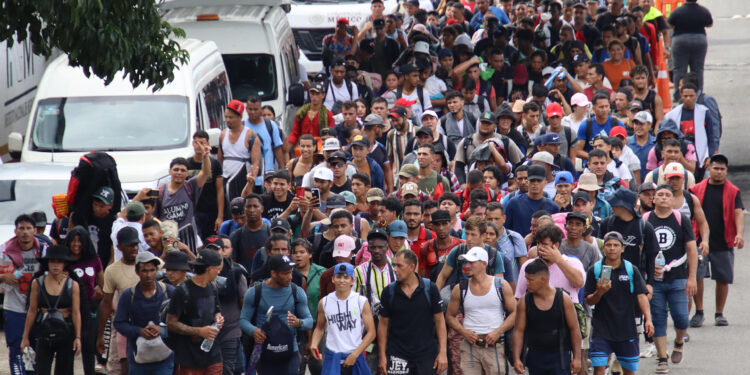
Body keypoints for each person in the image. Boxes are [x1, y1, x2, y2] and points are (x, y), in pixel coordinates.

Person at [644, 185, 697, 373]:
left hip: (678, 277)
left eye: (668, 195)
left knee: (682, 319)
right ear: (653, 200)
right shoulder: (645, 220)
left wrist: (692, 277)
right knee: (658, 319)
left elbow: (691, 249)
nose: (664, 198)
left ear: (673, 200)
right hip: (654, 280)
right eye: (660, 195)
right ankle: (662, 358)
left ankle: (679, 341)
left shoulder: (681, 219)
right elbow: (641, 250)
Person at [584, 232, 654, 375]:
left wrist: (648, 319)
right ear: (603, 248)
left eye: (616, 245)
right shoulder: (595, 270)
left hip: (626, 328)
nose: (612, 248)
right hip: (601, 328)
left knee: (628, 370)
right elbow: (589, 300)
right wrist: (600, 292)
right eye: (608, 245)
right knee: (599, 368)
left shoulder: (631, 270)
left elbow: (641, 295)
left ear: (622, 249)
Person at [688, 154, 743, 327]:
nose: (719, 172)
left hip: (723, 241)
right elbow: (688, 214)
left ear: (726, 171)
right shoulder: (696, 189)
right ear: (709, 169)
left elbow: (738, 212)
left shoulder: (733, 191)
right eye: (716, 168)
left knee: (723, 278)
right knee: (698, 276)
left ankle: (719, 313)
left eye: (722, 169)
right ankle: (699, 312)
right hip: (699, 241)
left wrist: (739, 234)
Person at [445, 246, 516, 375]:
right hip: (470, 347)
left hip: (494, 346)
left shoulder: (501, 285)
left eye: (471, 262)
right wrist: (464, 332)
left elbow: (515, 313)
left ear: (483, 264)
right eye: (466, 262)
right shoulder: (460, 288)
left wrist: (498, 332)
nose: (467, 265)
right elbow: (449, 315)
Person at [239, 254, 313, 374]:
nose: (290, 277)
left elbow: (309, 321)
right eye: (285, 273)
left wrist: (299, 322)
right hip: (265, 353)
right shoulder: (254, 292)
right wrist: (254, 331)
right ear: (273, 273)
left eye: (291, 272)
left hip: (290, 352)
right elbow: (243, 320)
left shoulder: (297, 292)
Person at [377, 249, 448, 375]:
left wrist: (442, 353)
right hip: (397, 355)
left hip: (426, 355)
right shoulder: (389, 292)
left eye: (399, 265)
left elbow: (440, 322)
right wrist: (382, 356)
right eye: (394, 265)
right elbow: (383, 325)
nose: (394, 269)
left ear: (411, 267)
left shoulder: (430, 289)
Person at [512, 258, 582, 375]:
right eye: (526, 279)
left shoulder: (563, 298)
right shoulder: (525, 301)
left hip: (560, 357)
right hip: (535, 357)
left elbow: (574, 328)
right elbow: (519, 330)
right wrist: (516, 358)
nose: (527, 283)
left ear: (543, 280)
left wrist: (577, 358)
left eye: (530, 280)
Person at [21, 245, 82, 375]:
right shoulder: (37, 283)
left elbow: (76, 312)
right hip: (45, 329)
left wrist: (78, 337)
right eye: (52, 261)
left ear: (64, 264)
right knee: (41, 369)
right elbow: (32, 310)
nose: (56, 265)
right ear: (47, 263)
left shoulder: (73, 285)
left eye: (59, 261)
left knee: (64, 370)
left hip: (65, 329)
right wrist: (25, 336)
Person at [113, 252, 174, 375]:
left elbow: (180, 322)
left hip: (165, 357)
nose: (148, 275)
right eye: (144, 271)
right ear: (137, 272)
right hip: (138, 358)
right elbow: (119, 323)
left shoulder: (169, 292)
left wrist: (160, 330)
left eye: (152, 270)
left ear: (157, 270)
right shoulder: (128, 295)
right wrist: (140, 331)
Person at [166, 249, 225, 374]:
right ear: (209, 269)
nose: (219, 272)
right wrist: (199, 331)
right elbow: (171, 323)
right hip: (189, 357)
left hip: (213, 354)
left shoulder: (212, 287)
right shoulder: (182, 291)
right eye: (217, 268)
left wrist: (218, 318)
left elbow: (217, 310)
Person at [0, 214, 46, 374]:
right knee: (16, 350)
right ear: (15, 231)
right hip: (14, 309)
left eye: (28, 228)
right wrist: (3, 277)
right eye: (21, 228)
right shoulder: (4, 251)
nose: (25, 232)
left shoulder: (44, 250)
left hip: (38, 310)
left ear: (35, 230)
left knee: (37, 351)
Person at [311, 262, 376, 375]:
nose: (342, 280)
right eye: (339, 276)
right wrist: (314, 343)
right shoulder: (324, 302)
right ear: (333, 279)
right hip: (333, 357)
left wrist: (355, 354)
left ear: (352, 280)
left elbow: (371, 333)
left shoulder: (360, 301)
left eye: (346, 277)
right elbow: (319, 328)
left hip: (355, 356)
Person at [96, 226, 141, 375]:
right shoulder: (112, 270)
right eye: (130, 245)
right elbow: (106, 303)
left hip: (146, 327)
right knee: (117, 369)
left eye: (136, 244)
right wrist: (101, 335)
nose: (134, 248)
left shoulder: (150, 264)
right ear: (119, 247)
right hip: (121, 328)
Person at [66, 225, 105, 375]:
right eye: (73, 241)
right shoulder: (65, 260)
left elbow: (103, 285)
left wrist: (99, 292)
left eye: (80, 241)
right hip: (69, 308)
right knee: (69, 348)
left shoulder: (94, 259)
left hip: (89, 308)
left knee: (89, 347)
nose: (76, 244)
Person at [667, 0, 712, 101]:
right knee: (698, 69)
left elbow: (670, 24)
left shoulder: (677, 11)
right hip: (699, 40)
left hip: (680, 40)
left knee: (679, 69)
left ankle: (679, 95)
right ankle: (698, 94)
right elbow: (709, 24)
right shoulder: (703, 11)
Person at [186, 130, 225, 239]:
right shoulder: (187, 164)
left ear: (208, 144)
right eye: (196, 142)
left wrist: (220, 216)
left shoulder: (215, 164)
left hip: (211, 209)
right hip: (194, 210)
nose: (199, 146)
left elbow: (220, 189)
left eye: (202, 143)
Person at [219, 99, 261, 193]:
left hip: (243, 181)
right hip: (225, 180)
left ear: (240, 117)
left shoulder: (251, 136)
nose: (228, 120)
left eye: (231, 117)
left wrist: (250, 184)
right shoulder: (223, 134)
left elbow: (255, 164)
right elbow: (220, 160)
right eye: (226, 117)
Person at [504, 165, 559, 237]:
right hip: (518, 246)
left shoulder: (552, 207)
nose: (535, 184)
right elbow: (505, 230)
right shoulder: (513, 203)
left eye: (539, 181)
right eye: (532, 180)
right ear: (527, 182)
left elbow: (555, 234)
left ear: (545, 182)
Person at [245, 96, 286, 185]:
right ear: (246, 109)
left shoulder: (270, 125)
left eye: (255, 109)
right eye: (250, 109)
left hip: (268, 177)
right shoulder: (242, 127)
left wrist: (283, 171)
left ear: (261, 109)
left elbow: (277, 149)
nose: (252, 112)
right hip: (248, 178)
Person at [230, 194, 271, 273]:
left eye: (255, 206)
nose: (252, 210)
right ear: (244, 210)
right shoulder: (236, 235)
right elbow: (233, 264)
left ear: (262, 209)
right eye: (248, 206)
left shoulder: (270, 232)